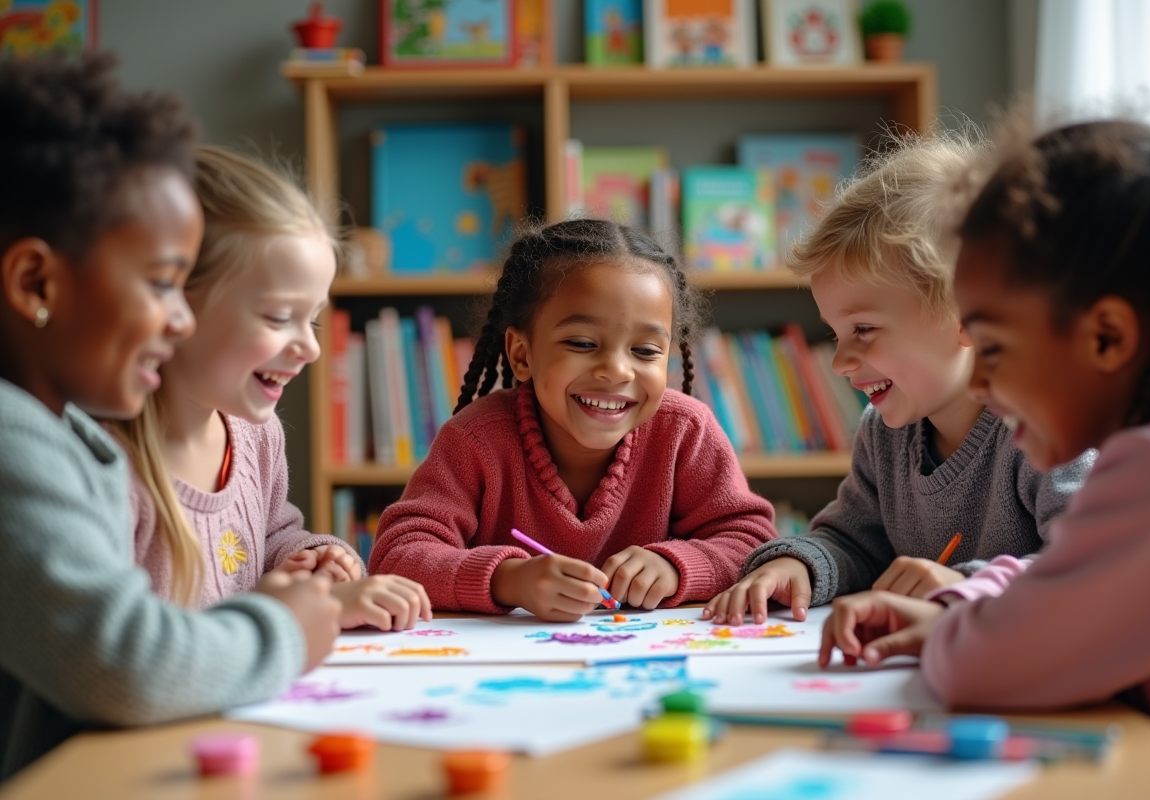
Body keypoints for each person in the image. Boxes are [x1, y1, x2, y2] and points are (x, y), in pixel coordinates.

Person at [0, 54, 340, 779]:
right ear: (35, 283)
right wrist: (282, 629)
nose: (180, 320)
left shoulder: (62, 436)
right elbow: (123, 661)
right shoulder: (15, 442)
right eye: (162, 285)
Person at [818, 107, 1150, 742]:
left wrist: (953, 623)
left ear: (1106, 336)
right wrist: (955, 614)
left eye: (992, 349)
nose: (983, 384)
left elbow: (984, 667)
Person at [705, 133, 1093, 626]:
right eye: (835, 333)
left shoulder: (1050, 426)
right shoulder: (884, 433)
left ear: (969, 318)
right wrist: (797, 563)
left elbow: (1097, 564)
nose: (840, 362)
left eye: (863, 330)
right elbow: (852, 541)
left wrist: (969, 587)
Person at [369, 219, 777, 621]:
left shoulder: (684, 431)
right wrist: (507, 580)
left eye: (646, 351)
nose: (617, 371)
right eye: (582, 343)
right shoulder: (475, 440)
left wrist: (675, 565)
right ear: (522, 354)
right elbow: (397, 555)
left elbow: (752, 542)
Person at [110, 146, 431, 632]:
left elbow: (271, 537)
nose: (310, 349)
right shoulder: (104, 467)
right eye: (280, 317)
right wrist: (283, 616)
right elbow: (131, 645)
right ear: (174, 304)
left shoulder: (256, 436)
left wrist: (316, 561)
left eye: (314, 321)